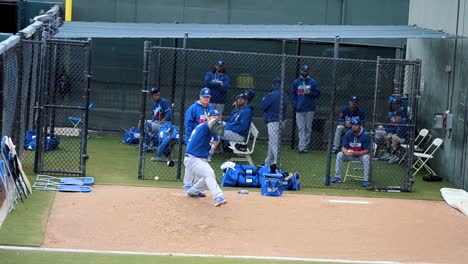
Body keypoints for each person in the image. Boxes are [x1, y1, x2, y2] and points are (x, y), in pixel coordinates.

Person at [184, 109, 227, 207]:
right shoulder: (204, 126)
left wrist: (212, 147)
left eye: (217, 116)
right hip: (192, 158)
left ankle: (192, 191)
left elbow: (215, 140)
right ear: (208, 117)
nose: (216, 118)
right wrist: (219, 121)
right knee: (209, 173)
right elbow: (212, 124)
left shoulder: (213, 130)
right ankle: (218, 196)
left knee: (206, 176)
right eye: (213, 116)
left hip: (200, 158)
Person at [183, 87, 215, 191]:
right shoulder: (193, 108)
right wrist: (189, 139)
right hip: (194, 139)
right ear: (200, 96)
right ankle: (187, 184)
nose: (206, 98)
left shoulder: (211, 109)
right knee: (191, 159)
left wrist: (214, 138)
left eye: (208, 97)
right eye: (204, 97)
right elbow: (188, 124)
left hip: (206, 140)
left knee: (203, 162)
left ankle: (197, 187)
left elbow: (215, 125)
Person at [331, 118, 372, 188]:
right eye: (353, 125)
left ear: (360, 125)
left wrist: (356, 153)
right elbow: (343, 147)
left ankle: (366, 180)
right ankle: (337, 177)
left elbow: (367, 151)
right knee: (340, 154)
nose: (354, 126)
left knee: (366, 157)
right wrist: (346, 152)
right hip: (350, 155)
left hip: (361, 156)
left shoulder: (366, 134)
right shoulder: (348, 133)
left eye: (356, 125)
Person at [290, 64, 321, 153]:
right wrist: (296, 105)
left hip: (310, 108)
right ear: (301, 71)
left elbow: (318, 93)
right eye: (303, 71)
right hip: (300, 109)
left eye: (306, 71)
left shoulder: (312, 82)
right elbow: (292, 94)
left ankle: (305, 146)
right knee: (301, 128)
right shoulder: (296, 82)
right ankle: (301, 146)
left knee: (308, 128)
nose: (305, 72)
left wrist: (310, 92)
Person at [260, 78, 287, 167]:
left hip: (272, 121)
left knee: (274, 142)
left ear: (273, 85)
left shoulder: (271, 95)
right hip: (282, 120)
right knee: (272, 141)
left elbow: (262, 106)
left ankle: (277, 162)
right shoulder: (284, 94)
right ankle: (268, 161)